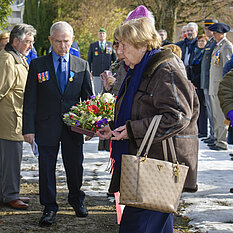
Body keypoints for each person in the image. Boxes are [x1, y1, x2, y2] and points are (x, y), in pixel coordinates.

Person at [96, 15, 199, 233]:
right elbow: (139, 110)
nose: (119, 51)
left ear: (142, 44)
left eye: (124, 45)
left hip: (156, 167)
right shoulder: (140, 69)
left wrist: (132, 130)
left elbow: (179, 116)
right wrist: (115, 127)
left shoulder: (163, 70)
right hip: (144, 165)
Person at [22, 21, 93, 226]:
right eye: (59, 41)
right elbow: (30, 100)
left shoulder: (81, 65)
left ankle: (76, 200)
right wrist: (28, 129)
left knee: (75, 166)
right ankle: (49, 207)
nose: (63, 46)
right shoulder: (38, 65)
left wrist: (90, 127)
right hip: (45, 126)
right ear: (51, 40)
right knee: (46, 168)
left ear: (72, 41)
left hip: (72, 128)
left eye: (67, 42)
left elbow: (88, 101)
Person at [0, 24, 36, 209]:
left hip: (15, 118)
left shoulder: (18, 58)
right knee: (11, 160)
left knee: (9, 160)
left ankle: (7, 192)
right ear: (15, 41)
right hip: (8, 120)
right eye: (28, 42)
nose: (31, 46)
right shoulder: (7, 60)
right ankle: (10, 196)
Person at [208, 22, 233, 151]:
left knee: (221, 115)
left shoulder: (227, 47)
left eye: (216, 33)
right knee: (216, 115)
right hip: (214, 86)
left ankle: (222, 142)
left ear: (222, 33)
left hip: (221, 87)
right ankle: (218, 139)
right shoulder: (218, 47)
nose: (213, 35)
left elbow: (228, 69)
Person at [200, 19, 218, 144]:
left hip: (212, 82)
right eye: (206, 28)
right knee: (210, 111)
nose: (207, 30)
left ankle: (215, 135)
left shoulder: (215, 44)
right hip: (206, 81)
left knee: (214, 111)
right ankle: (212, 134)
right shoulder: (209, 42)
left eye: (210, 28)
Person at [190, 34, 209, 138]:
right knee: (196, 106)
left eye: (203, 41)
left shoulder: (205, 54)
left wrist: (195, 82)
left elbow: (202, 71)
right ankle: (197, 128)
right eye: (199, 41)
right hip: (194, 82)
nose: (201, 43)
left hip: (200, 83)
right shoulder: (195, 52)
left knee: (202, 107)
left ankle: (203, 130)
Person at [87, 28, 116, 95]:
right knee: (97, 92)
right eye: (100, 33)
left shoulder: (110, 45)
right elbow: (89, 60)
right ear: (97, 35)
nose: (101, 35)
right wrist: (89, 71)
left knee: (107, 92)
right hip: (96, 73)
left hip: (107, 73)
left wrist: (114, 72)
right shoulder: (93, 46)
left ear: (106, 35)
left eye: (103, 33)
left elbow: (115, 60)